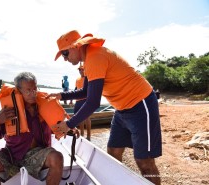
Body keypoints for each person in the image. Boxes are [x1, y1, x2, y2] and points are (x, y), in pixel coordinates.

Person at [48, 30, 162, 185]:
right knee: (113, 152)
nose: (65, 59)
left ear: (76, 46)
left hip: (140, 104)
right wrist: (61, 96)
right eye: (63, 55)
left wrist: (68, 124)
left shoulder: (96, 57)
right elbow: (86, 92)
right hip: (121, 109)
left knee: (144, 161)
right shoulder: (88, 61)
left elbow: (93, 102)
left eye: (65, 53)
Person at [0, 72, 64, 185]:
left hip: (38, 154)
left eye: (34, 89)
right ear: (18, 91)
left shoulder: (44, 108)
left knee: (57, 157)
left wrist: (69, 128)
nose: (33, 94)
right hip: (11, 155)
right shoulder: (8, 110)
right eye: (28, 90)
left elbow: (58, 126)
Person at [74, 63, 91, 141]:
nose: (80, 71)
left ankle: (89, 136)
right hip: (78, 101)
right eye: (79, 70)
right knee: (80, 118)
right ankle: (82, 135)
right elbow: (76, 89)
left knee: (87, 118)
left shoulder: (88, 79)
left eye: (82, 69)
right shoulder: (77, 79)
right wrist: (71, 100)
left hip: (85, 100)